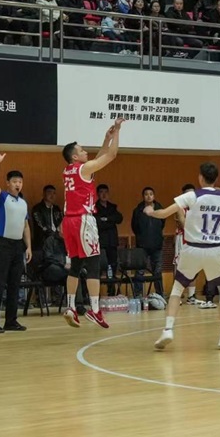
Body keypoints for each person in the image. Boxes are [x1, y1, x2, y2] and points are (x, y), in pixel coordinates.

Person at [148, 163, 220, 351]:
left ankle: (168, 330)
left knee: (177, 288)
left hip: (192, 248)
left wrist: (151, 212)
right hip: (215, 249)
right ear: (216, 179)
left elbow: (164, 213)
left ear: (200, 177)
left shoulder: (192, 195)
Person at [60, 119, 124, 329]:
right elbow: (110, 156)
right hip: (83, 220)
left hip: (68, 221)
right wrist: (117, 132)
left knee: (76, 265)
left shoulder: (69, 170)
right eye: (81, 150)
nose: (85, 151)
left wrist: (106, 138)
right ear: (74, 156)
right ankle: (95, 310)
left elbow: (98, 160)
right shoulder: (84, 169)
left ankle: (70, 307)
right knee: (94, 264)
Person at [0, 148, 32, 333]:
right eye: (14, 181)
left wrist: (28, 247)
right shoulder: (2, 198)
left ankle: (11, 321)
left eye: (20, 181)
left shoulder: (23, 203)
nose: (17, 184)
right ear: (8, 183)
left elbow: (25, 226)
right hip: (2, 244)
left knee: (14, 284)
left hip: (17, 246)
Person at [131, 187, 165, 298]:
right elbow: (134, 227)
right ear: (143, 196)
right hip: (142, 246)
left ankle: (160, 294)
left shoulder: (160, 209)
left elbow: (162, 224)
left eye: (151, 194)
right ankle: (138, 295)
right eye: (146, 194)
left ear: (154, 196)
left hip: (157, 245)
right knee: (139, 271)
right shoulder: (138, 210)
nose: (149, 196)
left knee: (157, 271)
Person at [94, 184, 123, 296]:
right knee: (99, 267)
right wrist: (110, 221)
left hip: (112, 241)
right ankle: (96, 293)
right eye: (101, 192)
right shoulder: (94, 207)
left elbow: (119, 218)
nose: (104, 194)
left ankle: (111, 291)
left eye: (106, 192)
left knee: (113, 266)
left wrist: (106, 219)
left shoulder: (112, 207)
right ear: (98, 194)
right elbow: (97, 223)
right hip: (100, 242)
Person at [31, 184, 62, 251]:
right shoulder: (37, 209)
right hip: (43, 240)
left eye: (54, 193)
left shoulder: (57, 209)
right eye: (49, 192)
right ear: (43, 194)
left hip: (57, 239)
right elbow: (41, 226)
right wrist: (55, 235)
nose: (52, 195)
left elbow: (61, 223)